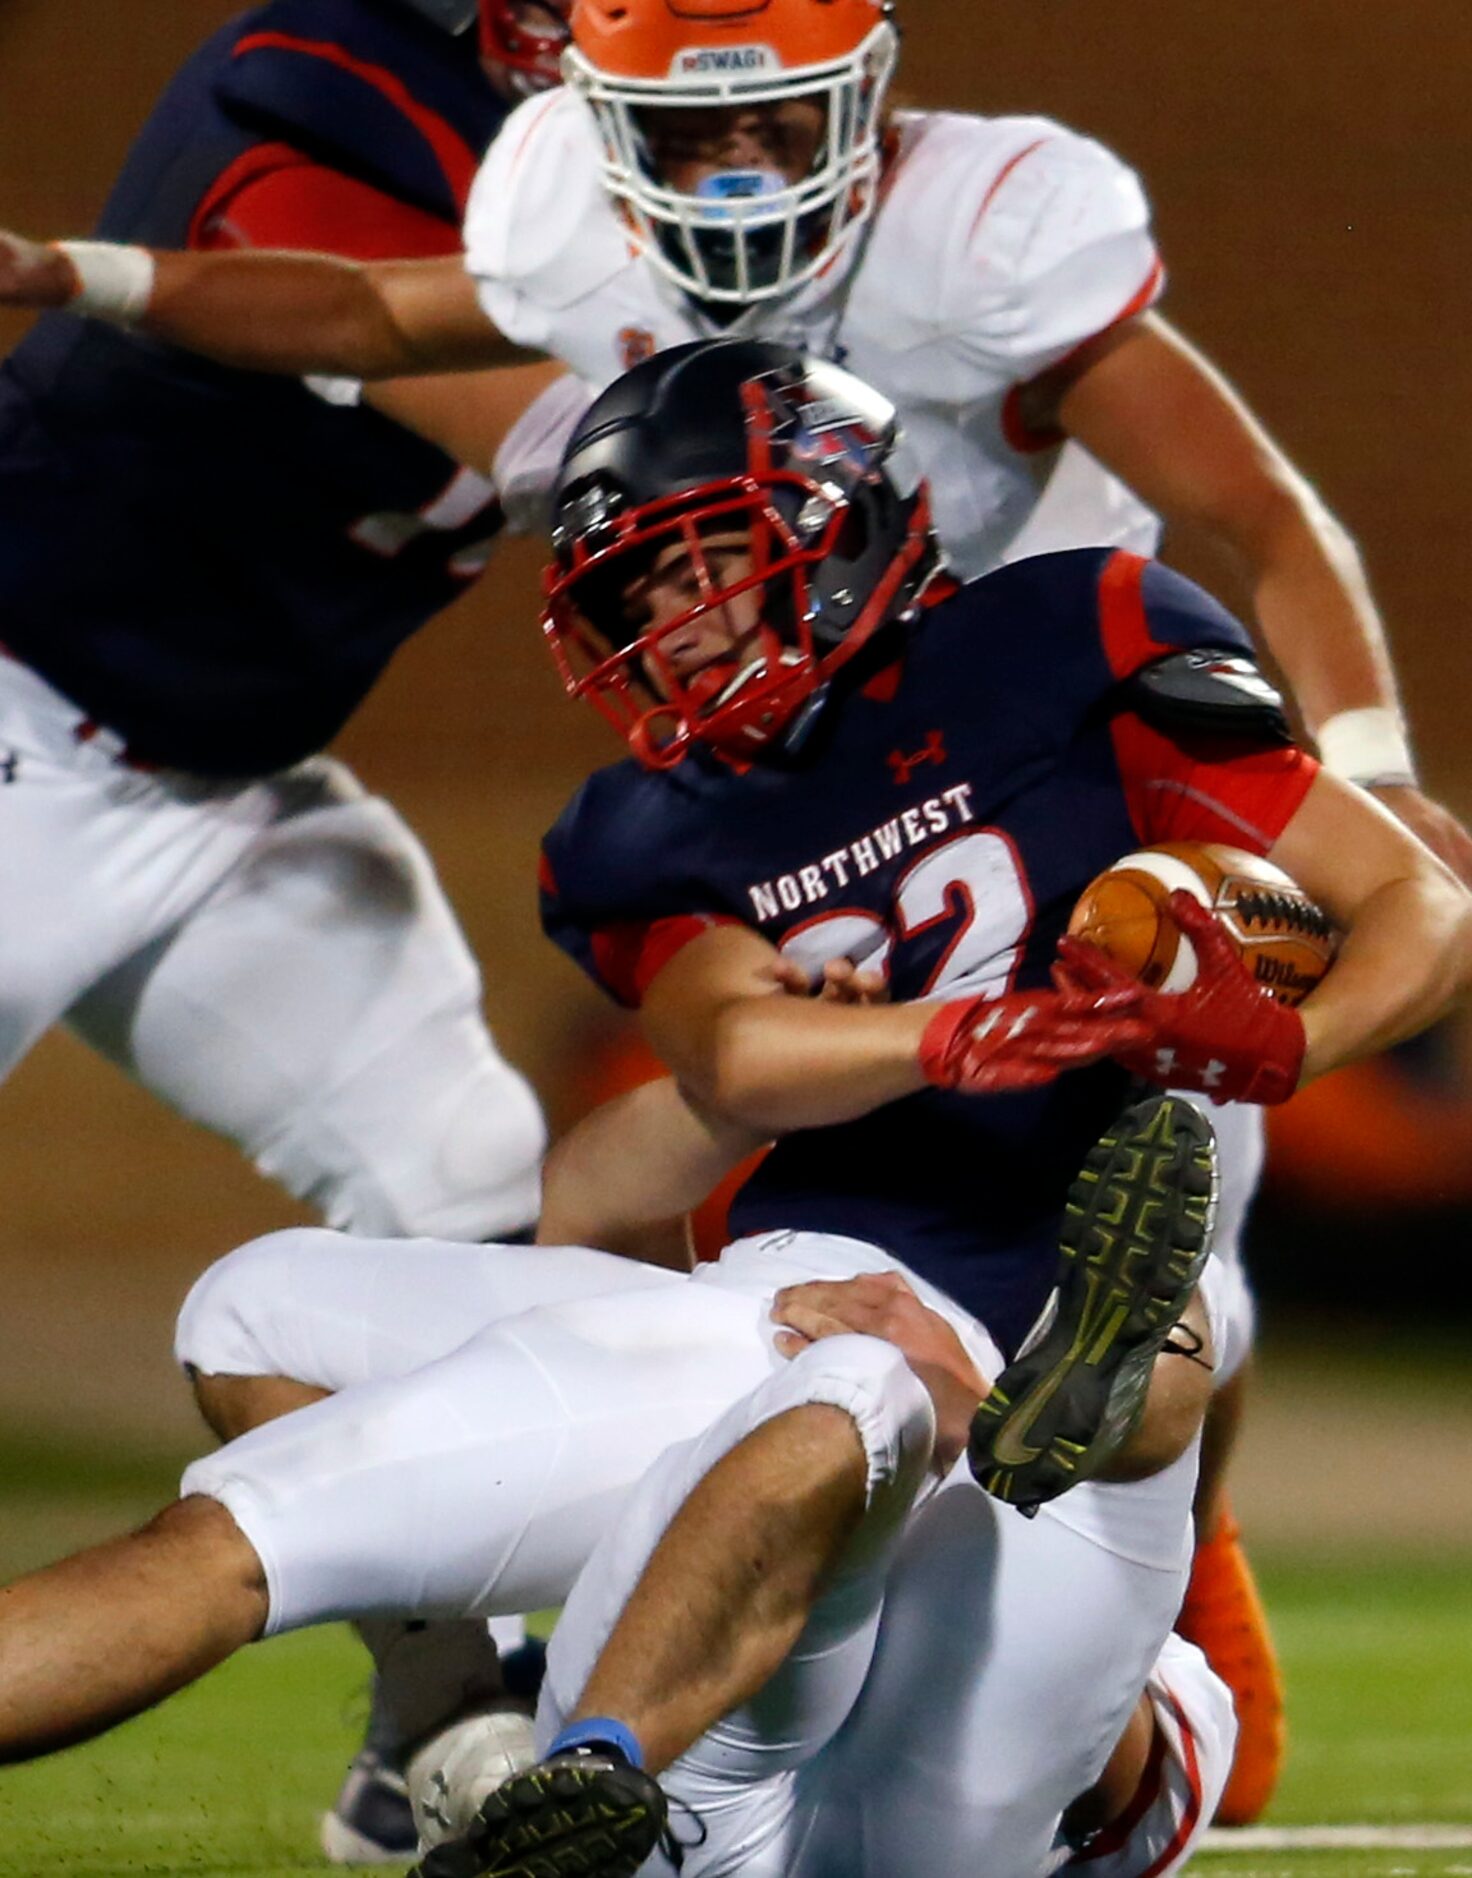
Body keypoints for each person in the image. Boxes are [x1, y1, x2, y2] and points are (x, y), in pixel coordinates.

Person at [3, 2, 1466, 1812]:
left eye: (767, 126)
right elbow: (368, 313)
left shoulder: (1025, 402)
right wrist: (85, 271)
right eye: (683, 137)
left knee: (1150, 1238)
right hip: (821, 1071)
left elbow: (1263, 518)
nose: (729, 173)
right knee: (627, 1315)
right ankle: (521, 1711)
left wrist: (1372, 785)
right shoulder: (651, 802)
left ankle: (1144, 1644)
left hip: (1054, 781)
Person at [0, 0, 580, 1858]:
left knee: (463, 1171)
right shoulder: (311, 87)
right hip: (16, 706)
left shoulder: (657, 173)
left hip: (230, 786)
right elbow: (565, 426)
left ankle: (439, 1728)